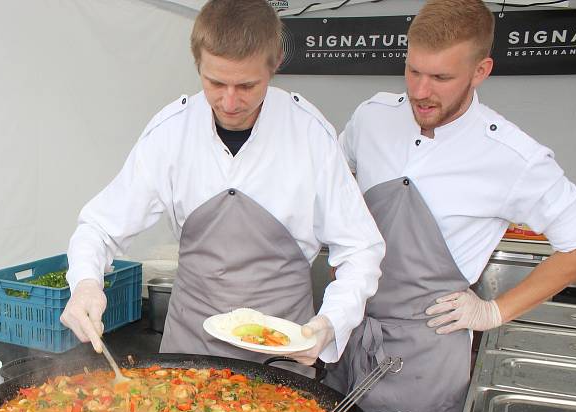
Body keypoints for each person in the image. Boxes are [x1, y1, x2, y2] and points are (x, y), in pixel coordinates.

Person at [330, 0, 576, 412]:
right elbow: (331, 188)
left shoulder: (513, 157)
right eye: (413, 71)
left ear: (480, 70)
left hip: (424, 356)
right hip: (350, 334)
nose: (421, 91)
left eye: (441, 78)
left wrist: (493, 312)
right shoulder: (373, 117)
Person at [60, 0, 385, 368]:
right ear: (197, 62)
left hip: (281, 358)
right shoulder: (171, 132)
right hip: (188, 351)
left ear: (276, 63)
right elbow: (99, 227)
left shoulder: (310, 135)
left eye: (247, 85)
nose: (229, 102)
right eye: (215, 82)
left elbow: (361, 249)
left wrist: (330, 323)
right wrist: (86, 283)